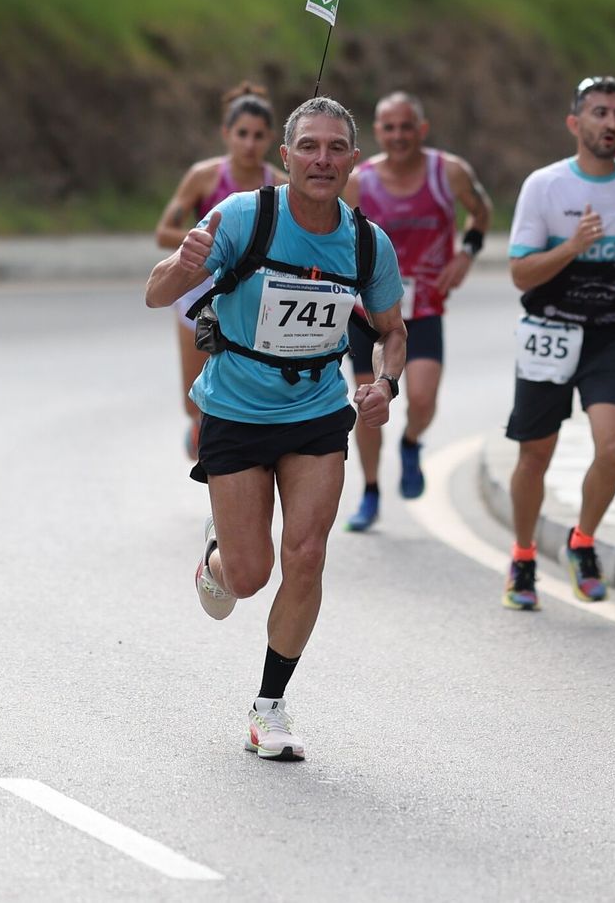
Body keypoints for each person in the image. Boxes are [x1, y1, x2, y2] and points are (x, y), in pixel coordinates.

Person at [144, 97, 406, 762]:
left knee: (308, 552)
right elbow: (156, 291)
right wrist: (184, 261)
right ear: (285, 157)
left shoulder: (368, 242)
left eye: (336, 146)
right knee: (250, 573)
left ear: (353, 159)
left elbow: (391, 331)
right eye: (309, 146)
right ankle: (217, 561)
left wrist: (383, 382)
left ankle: (269, 707)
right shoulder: (242, 216)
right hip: (234, 407)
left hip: (316, 407)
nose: (322, 158)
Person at [502, 75, 615, 611]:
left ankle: (582, 542)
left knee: (614, 446)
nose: (612, 124)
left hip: (607, 333)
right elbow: (520, 274)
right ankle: (524, 556)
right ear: (576, 124)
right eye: (600, 113)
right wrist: (573, 247)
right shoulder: (545, 187)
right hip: (549, 328)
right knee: (535, 455)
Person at [340, 91, 492, 531]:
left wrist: (466, 255)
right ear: (377, 131)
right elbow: (337, 236)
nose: (398, 135)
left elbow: (481, 214)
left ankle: (410, 443)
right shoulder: (360, 182)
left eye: (407, 126)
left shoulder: (450, 173)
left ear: (421, 129)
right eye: (389, 127)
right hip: (367, 312)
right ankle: (370, 493)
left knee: (422, 399)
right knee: (368, 402)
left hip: (422, 308)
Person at [154, 82, 286, 458]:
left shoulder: (278, 185)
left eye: (258, 136)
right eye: (242, 134)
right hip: (197, 296)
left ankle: (224, 495)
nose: (249, 143)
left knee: (239, 403)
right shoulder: (204, 177)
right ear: (226, 134)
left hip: (249, 299)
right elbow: (164, 233)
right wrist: (209, 240)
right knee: (193, 402)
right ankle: (198, 429)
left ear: (271, 139)